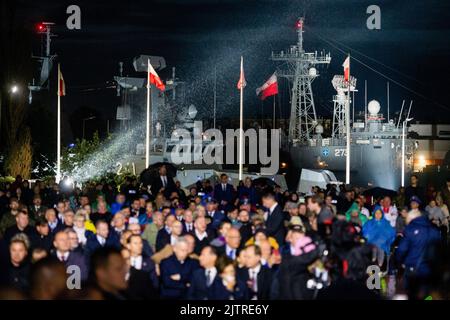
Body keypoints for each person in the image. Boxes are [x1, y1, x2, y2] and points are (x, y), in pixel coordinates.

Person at [395, 208, 441, 284]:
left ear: (412, 218)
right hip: (429, 268)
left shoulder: (410, 229)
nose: (406, 222)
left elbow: (401, 250)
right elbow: (439, 250)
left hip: (412, 266)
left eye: (407, 219)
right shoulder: (434, 230)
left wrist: (400, 262)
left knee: (411, 291)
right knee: (427, 293)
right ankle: (428, 296)